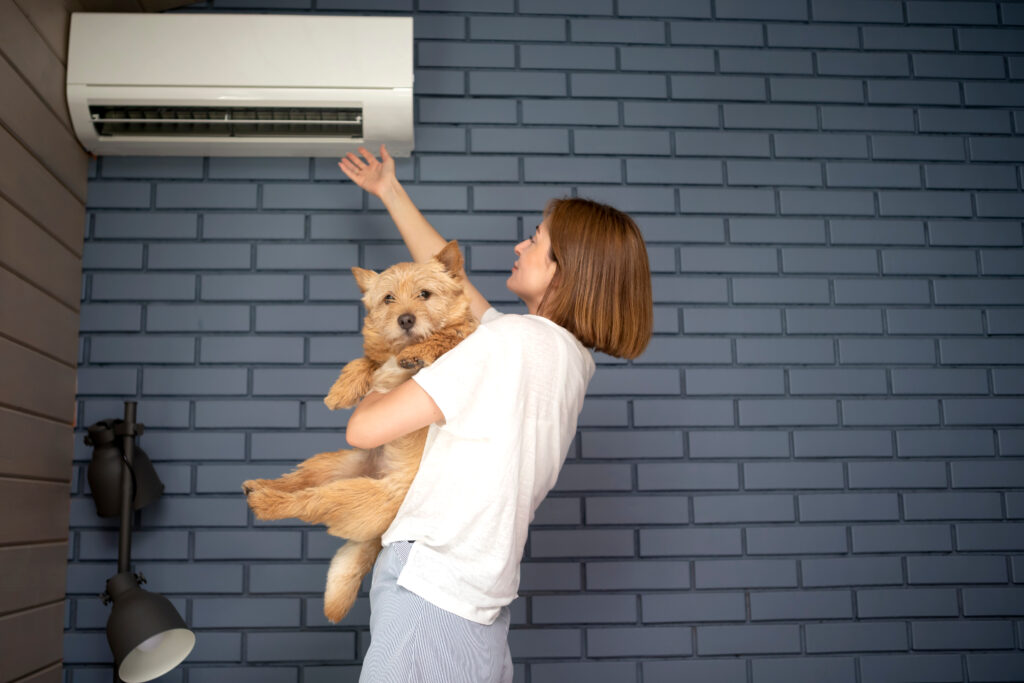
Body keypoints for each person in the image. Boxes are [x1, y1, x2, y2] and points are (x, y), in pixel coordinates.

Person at [337, 144, 653, 683]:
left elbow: (364, 427)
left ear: (564, 269)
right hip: (481, 602)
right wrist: (390, 191)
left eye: (536, 239)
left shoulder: (509, 343)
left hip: (432, 588)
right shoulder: (563, 359)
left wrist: (377, 374)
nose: (520, 244)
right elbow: (454, 283)